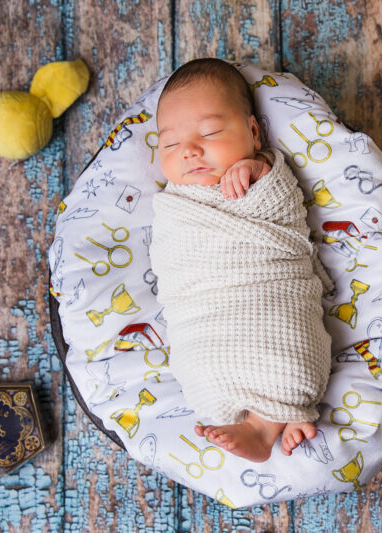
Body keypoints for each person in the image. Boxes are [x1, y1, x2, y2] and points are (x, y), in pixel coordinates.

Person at [149, 58, 332, 463]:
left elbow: (284, 205)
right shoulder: (174, 203)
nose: (190, 151)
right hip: (200, 310)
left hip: (268, 292)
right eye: (170, 144)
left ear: (252, 131)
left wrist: (259, 167)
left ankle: (269, 423)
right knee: (201, 368)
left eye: (211, 132)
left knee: (287, 348)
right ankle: (271, 419)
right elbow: (172, 264)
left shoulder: (262, 175)